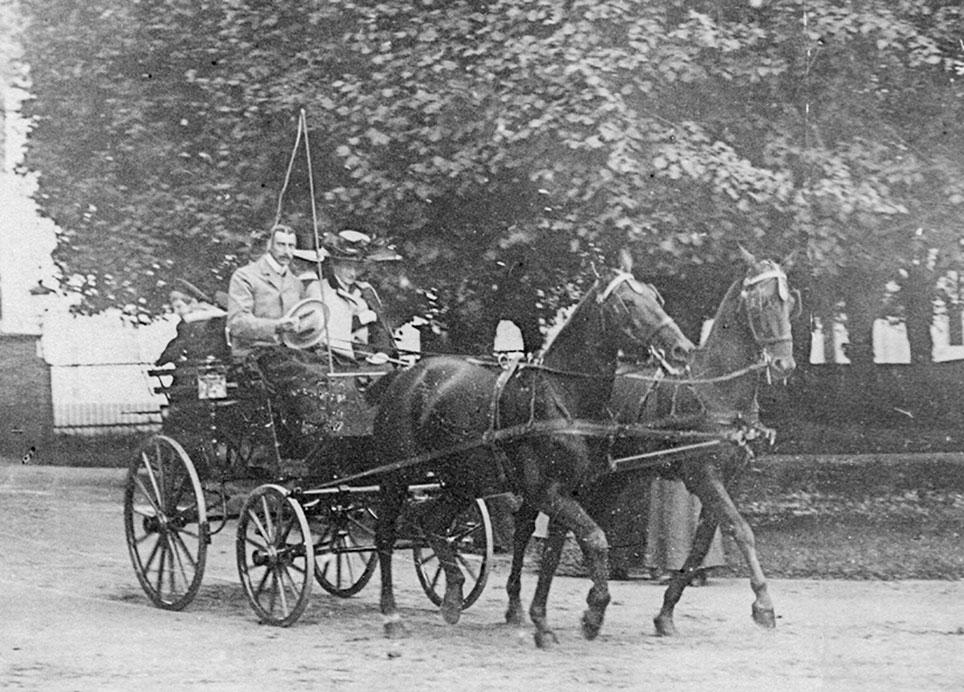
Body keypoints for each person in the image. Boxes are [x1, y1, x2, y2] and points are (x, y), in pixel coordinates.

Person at [317, 229, 397, 365]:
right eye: (348, 266)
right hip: (335, 360)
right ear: (335, 264)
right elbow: (325, 332)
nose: (353, 273)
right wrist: (359, 320)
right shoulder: (322, 290)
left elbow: (379, 327)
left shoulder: (365, 290)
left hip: (367, 358)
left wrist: (382, 353)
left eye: (357, 267)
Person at [156, 280, 227, 367]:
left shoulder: (189, 324)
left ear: (193, 303)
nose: (176, 312)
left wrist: (161, 361)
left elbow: (177, 345)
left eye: (179, 306)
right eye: (174, 308)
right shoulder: (221, 318)